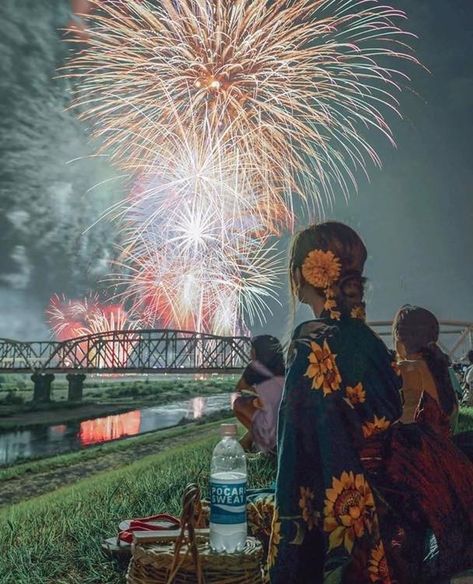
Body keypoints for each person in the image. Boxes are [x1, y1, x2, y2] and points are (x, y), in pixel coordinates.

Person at [269, 221, 473, 584]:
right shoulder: (367, 339)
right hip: (394, 510)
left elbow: (296, 449)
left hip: (350, 503)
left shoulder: (311, 343)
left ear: (305, 272)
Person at [393, 305, 459, 436]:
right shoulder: (443, 369)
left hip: (412, 449)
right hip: (445, 447)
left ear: (399, 338)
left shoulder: (404, 369)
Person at [233, 335, 285, 453]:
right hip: (286, 421)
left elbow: (239, 388)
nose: (249, 351)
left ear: (257, 351)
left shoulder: (254, 367)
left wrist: (255, 392)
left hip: (271, 422)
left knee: (239, 403)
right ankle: (250, 441)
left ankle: (267, 445)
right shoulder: (285, 367)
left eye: (252, 348)